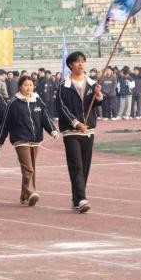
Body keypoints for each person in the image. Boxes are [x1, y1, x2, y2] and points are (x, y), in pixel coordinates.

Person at [0, 73, 59, 206]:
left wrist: (53, 130)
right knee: (28, 168)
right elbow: (5, 123)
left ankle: (24, 196)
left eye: (30, 85)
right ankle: (31, 192)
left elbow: (45, 118)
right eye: (25, 85)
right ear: (20, 87)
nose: (28, 87)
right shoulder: (13, 103)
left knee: (31, 169)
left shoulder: (38, 100)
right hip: (20, 140)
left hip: (35, 140)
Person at [56, 51, 101, 214]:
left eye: (83, 61)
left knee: (85, 166)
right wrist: (76, 123)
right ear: (70, 65)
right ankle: (82, 198)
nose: (81, 64)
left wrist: (99, 96)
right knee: (76, 165)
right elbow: (61, 108)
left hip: (88, 130)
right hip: (71, 131)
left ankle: (77, 199)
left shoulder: (92, 84)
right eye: (77, 61)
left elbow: (96, 104)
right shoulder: (63, 86)